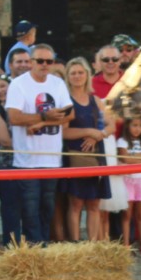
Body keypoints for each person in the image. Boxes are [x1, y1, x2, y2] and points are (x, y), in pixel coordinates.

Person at [5, 43, 73, 244]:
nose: (45, 65)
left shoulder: (57, 84)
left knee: (48, 206)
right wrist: (44, 115)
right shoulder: (18, 84)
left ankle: (42, 245)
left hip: (52, 159)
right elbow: (14, 118)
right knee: (30, 207)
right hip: (27, 160)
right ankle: (35, 247)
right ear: (31, 62)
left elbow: (70, 113)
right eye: (40, 61)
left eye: (49, 61)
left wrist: (42, 122)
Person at [60, 57, 110, 242]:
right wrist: (87, 131)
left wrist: (98, 134)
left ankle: (92, 245)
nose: (77, 76)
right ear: (68, 76)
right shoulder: (65, 101)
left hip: (96, 154)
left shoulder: (95, 100)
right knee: (75, 204)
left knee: (94, 204)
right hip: (76, 155)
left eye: (81, 72)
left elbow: (111, 124)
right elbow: (63, 132)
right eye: (73, 73)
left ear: (87, 74)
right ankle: (75, 244)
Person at [0, 75, 22, 247]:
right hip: (7, 165)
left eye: (3, 86)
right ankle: (12, 244)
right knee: (10, 207)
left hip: (26, 163)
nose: (0, 91)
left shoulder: (23, 106)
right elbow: (5, 141)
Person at [117, 116, 141, 257]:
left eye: (140, 125)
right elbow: (125, 158)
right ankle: (126, 245)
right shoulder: (122, 141)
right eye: (134, 125)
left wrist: (136, 159)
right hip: (128, 180)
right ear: (127, 126)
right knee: (127, 214)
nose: (137, 128)